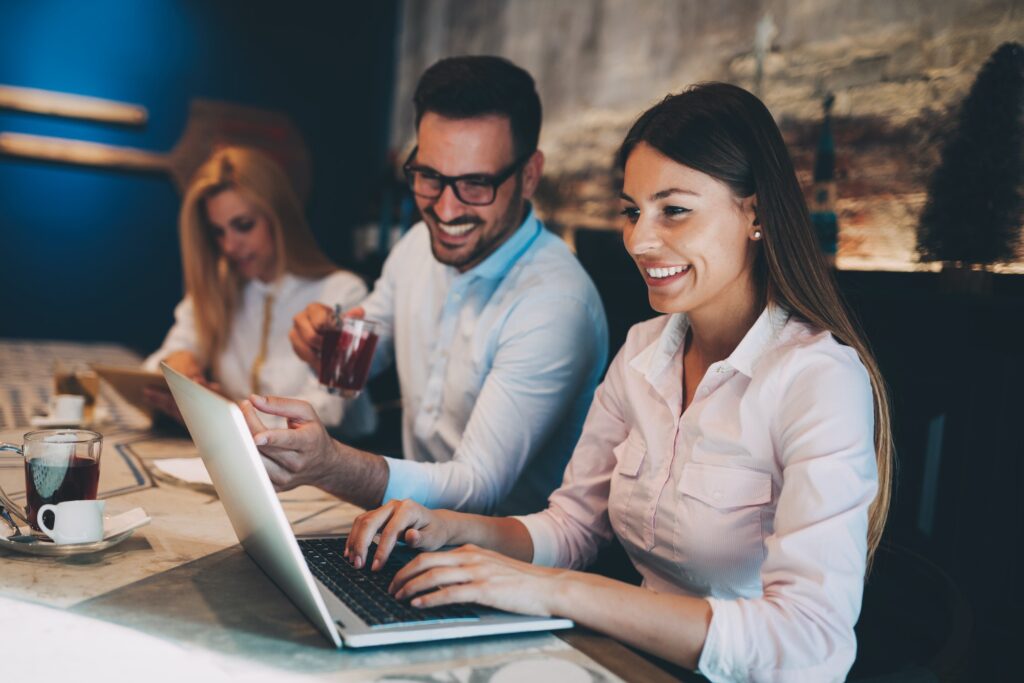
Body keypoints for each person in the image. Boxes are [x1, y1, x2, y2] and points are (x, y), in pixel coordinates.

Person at [342, 83, 894, 682]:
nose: (639, 240)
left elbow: (808, 646)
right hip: (625, 662)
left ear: (755, 212)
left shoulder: (818, 379)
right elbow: (572, 528)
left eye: (673, 210)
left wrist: (554, 591)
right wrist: (450, 527)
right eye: (633, 211)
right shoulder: (641, 352)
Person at [241, 56, 608, 515]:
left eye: (477, 184)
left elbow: (478, 488)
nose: (446, 211)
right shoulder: (418, 245)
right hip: (409, 534)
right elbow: (368, 350)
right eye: (430, 177)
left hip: (505, 568)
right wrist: (326, 345)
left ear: (529, 175)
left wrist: (330, 466)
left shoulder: (556, 303)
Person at [143, 146, 375, 436]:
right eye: (218, 232)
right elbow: (158, 363)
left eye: (243, 225)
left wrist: (229, 412)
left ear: (279, 217)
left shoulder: (345, 292)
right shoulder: (220, 283)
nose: (229, 246)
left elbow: (329, 412)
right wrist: (178, 360)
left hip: (330, 471)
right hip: (241, 455)